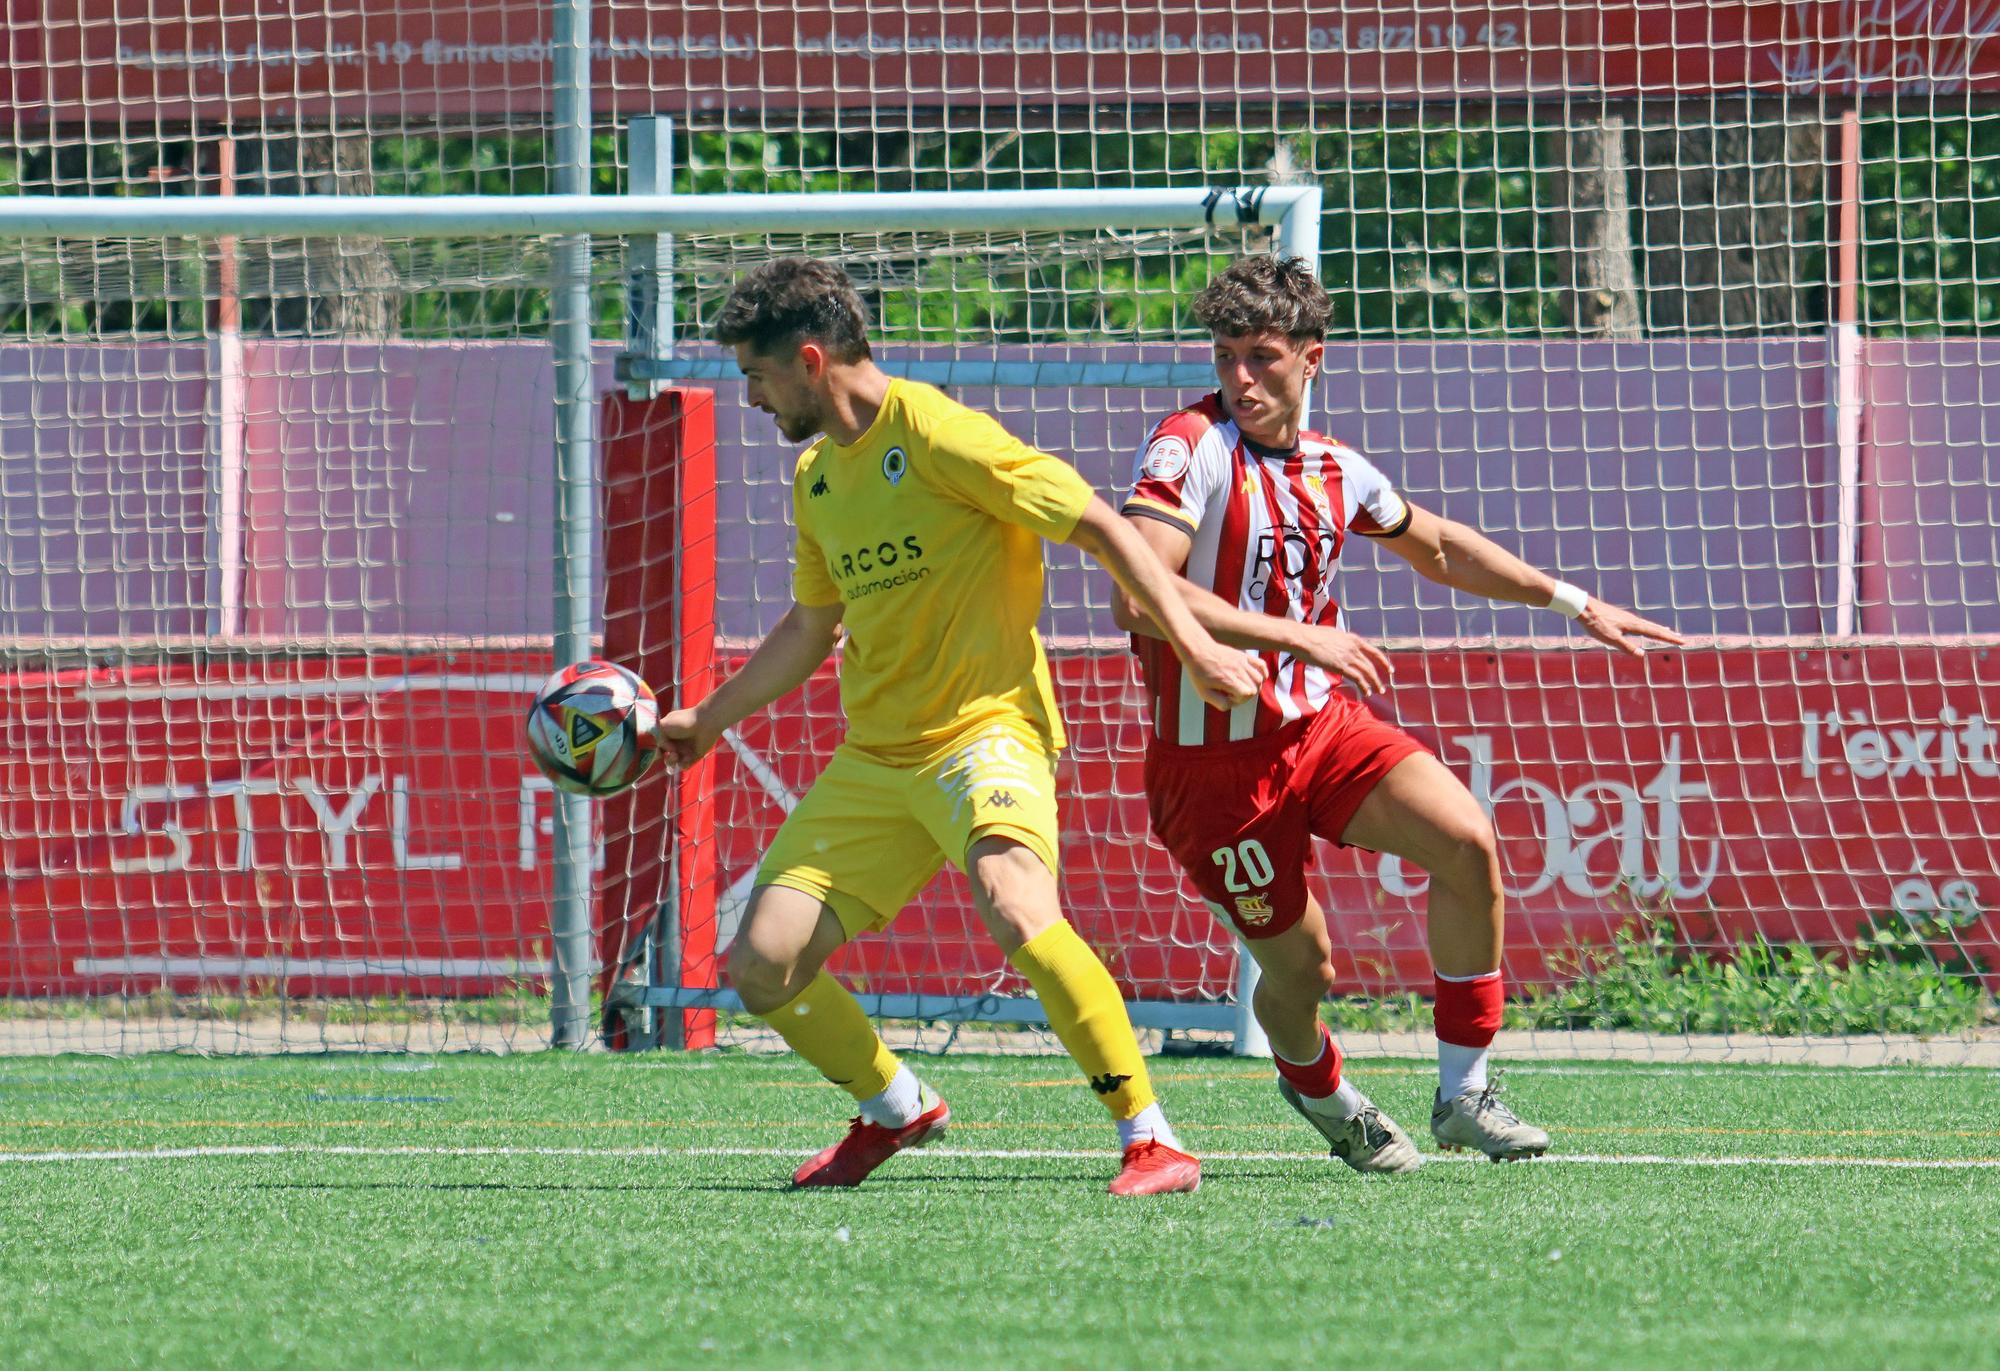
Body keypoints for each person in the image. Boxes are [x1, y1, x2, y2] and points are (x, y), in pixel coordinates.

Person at [652, 257, 1265, 1195]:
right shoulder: (818, 478)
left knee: (1018, 907)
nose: (754, 400)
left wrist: (1198, 646)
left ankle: (1153, 1138)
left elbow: (1103, 525)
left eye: (758, 377)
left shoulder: (943, 436)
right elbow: (814, 626)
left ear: (810, 361)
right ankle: (897, 1106)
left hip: (987, 727)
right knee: (763, 966)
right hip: (878, 756)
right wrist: (707, 718)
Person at [1114, 255, 1683, 1169]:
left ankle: (1464, 1092)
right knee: (1303, 974)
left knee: (1467, 841)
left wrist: (1574, 602)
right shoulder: (1190, 442)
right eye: (1226, 356)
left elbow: (1443, 548)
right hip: (1215, 768)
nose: (1240, 379)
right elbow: (1141, 593)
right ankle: (1319, 1088)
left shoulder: (1337, 469)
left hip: (1320, 728)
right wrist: (1294, 638)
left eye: (1261, 356)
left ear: (1312, 358)